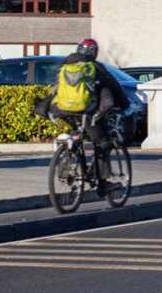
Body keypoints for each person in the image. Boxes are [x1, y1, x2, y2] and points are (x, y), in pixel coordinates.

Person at [37, 38, 126, 194]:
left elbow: (56, 89)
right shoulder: (95, 68)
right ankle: (103, 184)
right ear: (94, 52)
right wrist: (125, 105)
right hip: (87, 112)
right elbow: (114, 87)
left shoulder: (66, 65)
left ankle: (67, 160)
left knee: (75, 133)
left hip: (64, 110)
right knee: (103, 143)